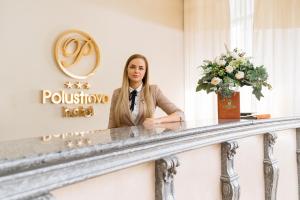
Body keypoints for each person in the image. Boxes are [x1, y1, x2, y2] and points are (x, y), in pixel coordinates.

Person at [108, 54, 184, 129]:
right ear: (127, 70)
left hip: (147, 140)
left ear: (145, 72)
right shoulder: (117, 93)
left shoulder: (154, 91)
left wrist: (157, 121)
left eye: (141, 68)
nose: (136, 71)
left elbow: (180, 114)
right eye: (132, 67)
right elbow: (112, 126)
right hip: (123, 141)